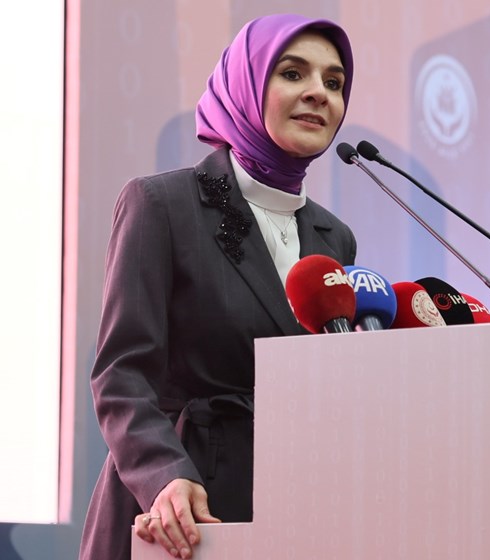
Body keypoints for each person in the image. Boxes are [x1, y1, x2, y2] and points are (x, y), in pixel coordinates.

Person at [80, 14, 356, 560]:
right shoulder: (162, 205)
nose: (318, 94)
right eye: (292, 73)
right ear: (244, 86)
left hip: (288, 507)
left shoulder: (335, 238)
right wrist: (164, 475)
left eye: (334, 82)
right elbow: (121, 375)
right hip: (178, 506)